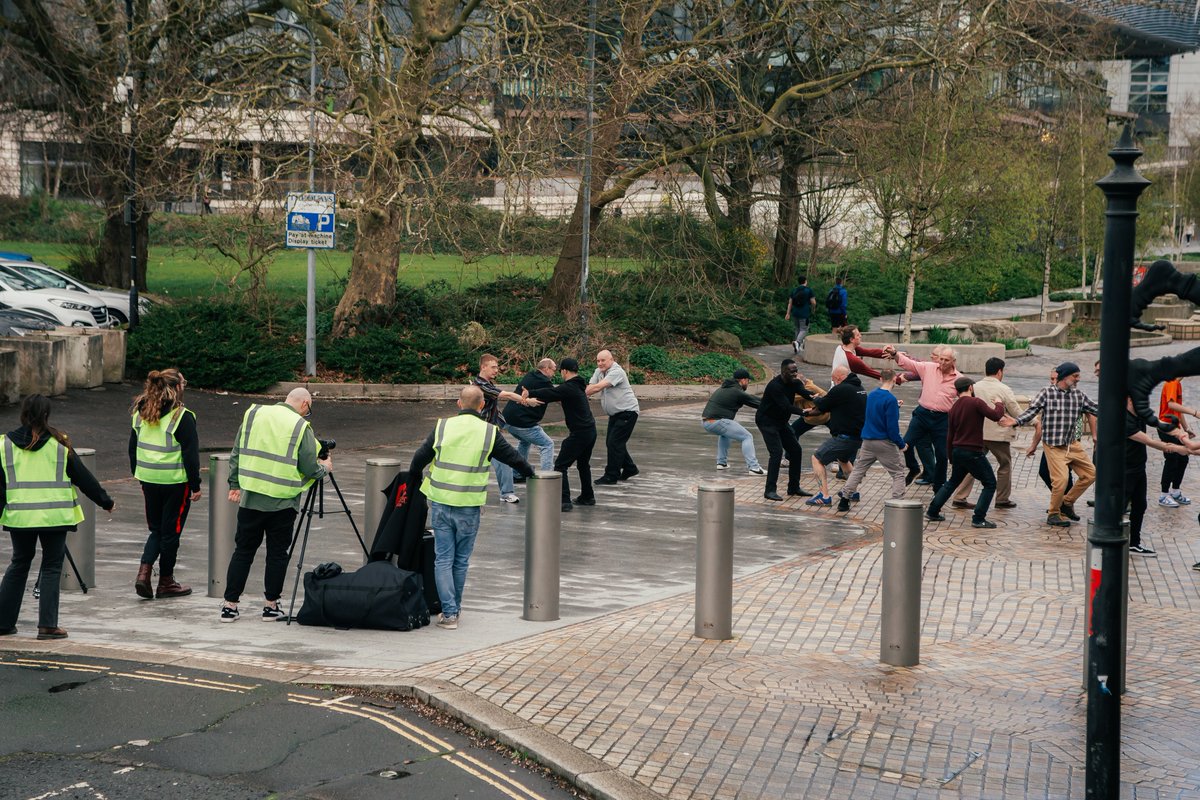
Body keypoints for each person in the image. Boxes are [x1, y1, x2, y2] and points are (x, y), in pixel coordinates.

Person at [409, 386, 534, 629]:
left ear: (458, 403)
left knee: (443, 558)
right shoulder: (489, 432)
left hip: (441, 502)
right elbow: (513, 458)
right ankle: (454, 609)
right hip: (469, 506)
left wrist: (414, 478)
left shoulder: (443, 426)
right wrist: (531, 473)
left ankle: (450, 614)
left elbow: (420, 457)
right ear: (480, 406)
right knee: (461, 560)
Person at [0, 394, 114, 640]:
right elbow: (83, 478)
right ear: (46, 415)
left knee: (19, 563)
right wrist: (105, 501)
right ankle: (47, 626)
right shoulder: (59, 444)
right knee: (51, 566)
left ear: (23, 413)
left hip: (20, 517)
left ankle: (3, 622)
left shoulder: (4, 444)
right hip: (55, 517)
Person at [220, 387, 331, 622]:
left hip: (251, 498)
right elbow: (310, 467)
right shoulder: (301, 427)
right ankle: (271, 605)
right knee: (277, 554)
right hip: (283, 502)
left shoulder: (254, 414)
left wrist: (234, 483)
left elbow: (237, 451)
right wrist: (325, 469)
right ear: (304, 405)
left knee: (243, 551)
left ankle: (229, 606)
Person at [129, 368, 201, 599]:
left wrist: (138, 473)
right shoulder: (182, 417)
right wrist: (195, 485)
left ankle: (144, 571)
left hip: (148, 478)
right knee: (171, 532)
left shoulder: (140, 412)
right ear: (177, 388)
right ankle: (166, 581)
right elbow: (191, 455)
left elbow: (133, 448)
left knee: (157, 529)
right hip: (174, 482)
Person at [1006, 362, 1098, 527]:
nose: (1078, 379)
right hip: (1054, 446)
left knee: (1091, 474)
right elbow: (1032, 411)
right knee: (1061, 480)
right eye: (1075, 376)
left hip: (1073, 444)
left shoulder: (1079, 395)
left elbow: (1096, 409)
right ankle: (1054, 514)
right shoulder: (1047, 393)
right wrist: (1016, 421)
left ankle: (1067, 503)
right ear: (1065, 376)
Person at [925, 377, 1010, 528]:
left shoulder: (954, 407)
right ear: (971, 387)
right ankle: (979, 519)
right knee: (990, 483)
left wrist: (951, 456)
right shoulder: (976, 402)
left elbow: (950, 434)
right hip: (973, 451)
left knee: (952, 482)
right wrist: (999, 403)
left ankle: (932, 511)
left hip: (957, 450)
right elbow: (996, 415)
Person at [949, 358, 1022, 510]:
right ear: (1000, 371)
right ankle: (1002, 498)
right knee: (1005, 464)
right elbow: (1015, 410)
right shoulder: (1004, 389)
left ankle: (960, 497)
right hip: (998, 434)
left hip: (978, 435)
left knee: (971, 466)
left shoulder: (974, 387)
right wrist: (1033, 420)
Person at [886, 345, 962, 491]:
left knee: (942, 455)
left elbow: (966, 399)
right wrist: (895, 353)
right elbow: (909, 364)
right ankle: (914, 468)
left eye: (947, 360)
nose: (943, 363)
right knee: (905, 444)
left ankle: (939, 487)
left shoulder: (959, 379)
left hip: (942, 419)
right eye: (941, 359)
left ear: (953, 361)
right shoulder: (929, 368)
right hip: (922, 414)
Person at [528, 358, 597, 512]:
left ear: (564, 371)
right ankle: (588, 496)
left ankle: (564, 501)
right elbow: (555, 393)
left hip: (580, 433)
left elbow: (551, 393)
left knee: (560, 465)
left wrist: (529, 393)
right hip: (590, 430)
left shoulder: (569, 387)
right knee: (583, 464)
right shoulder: (579, 385)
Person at [472, 354, 542, 504]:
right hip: (479, 433)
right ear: (483, 367)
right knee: (475, 463)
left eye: (497, 367)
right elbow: (508, 395)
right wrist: (527, 401)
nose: (497, 370)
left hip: (490, 432)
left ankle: (507, 493)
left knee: (503, 461)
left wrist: (500, 423)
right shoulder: (480, 385)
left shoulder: (487, 383)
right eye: (493, 367)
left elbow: (494, 407)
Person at [1125, 398, 1190, 556]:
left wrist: (1179, 433)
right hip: (1123, 471)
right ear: (1128, 400)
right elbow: (1149, 441)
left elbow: (1160, 424)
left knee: (1140, 505)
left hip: (1139, 468)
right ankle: (1111, 543)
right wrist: (1177, 448)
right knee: (1119, 508)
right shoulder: (1123, 419)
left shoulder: (1140, 412)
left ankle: (1134, 543)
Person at [837, 369, 908, 511]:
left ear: (880, 379)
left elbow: (874, 414)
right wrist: (901, 444)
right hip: (884, 442)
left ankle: (844, 500)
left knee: (858, 470)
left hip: (868, 440)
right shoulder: (890, 399)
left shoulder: (872, 395)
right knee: (898, 473)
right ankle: (896, 504)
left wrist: (895, 407)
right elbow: (892, 428)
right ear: (894, 379)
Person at [802, 365, 867, 506]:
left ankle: (824, 496)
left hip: (845, 436)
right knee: (843, 459)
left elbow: (824, 404)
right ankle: (852, 491)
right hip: (858, 436)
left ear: (838, 378)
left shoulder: (842, 388)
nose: (834, 383)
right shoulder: (860, 389)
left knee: (817, 458)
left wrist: (815, 399)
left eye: (834, 380)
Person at [495, 358, 557, 498]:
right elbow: (557, 396)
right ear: (546, 369)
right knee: (547, 444)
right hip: (522, 422)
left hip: (508, 420)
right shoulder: (544, 381)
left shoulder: (530, 375)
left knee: (524, 441)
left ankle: (517, 473)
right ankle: (546, 477)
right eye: (553, 369)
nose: (555, 372)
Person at [755, 359, 813, 501]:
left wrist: (817, 398)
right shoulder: (775, 386)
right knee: (776, 453)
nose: (794, 374)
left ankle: (793, 487)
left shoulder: (795, 383)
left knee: (795, 450)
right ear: (783, 372)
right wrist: (803, 412)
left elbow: (805, 393)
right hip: (767, 421)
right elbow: (786, 406)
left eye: (796, 371)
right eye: (791, 371)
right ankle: (769, 491)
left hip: (781, 421)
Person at [587, 349, 640, 485]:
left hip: (628, 412)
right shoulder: (598, 371)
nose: (600, 363)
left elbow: (598, 387)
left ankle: (611, 475)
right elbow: (591, 387)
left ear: (611, 360)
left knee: (614, 442)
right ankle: (629, 468)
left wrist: (575, 395)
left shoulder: (617, 372)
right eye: (598, 360)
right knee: (613, 442)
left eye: (603, 360)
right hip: (616, 414)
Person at [701, 368, 764, 474]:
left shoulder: (724, 388)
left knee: (726, 434)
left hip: (706, 422)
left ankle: (721, 463)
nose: (748, 383)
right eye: (748, 381)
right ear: (743, 380)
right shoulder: (737, 392)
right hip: (717, 421)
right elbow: (759, 403)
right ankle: (754, 468)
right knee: (747, 437)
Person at [1156, 378, 1194, 507]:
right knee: (1172, 460)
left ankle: (1175, 491)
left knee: (1183, 459)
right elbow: (1171, 405)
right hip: (1166, 427)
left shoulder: (1177, 384)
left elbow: (1178, 411)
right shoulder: (1172, 383)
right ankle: (1164, 494)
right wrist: (1195, 413)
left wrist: (1186, 428)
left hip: (1174, 427)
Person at [785, 275, 816, 355]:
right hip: (804, 313)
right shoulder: (808, 290)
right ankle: (798, 342)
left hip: (795, 312)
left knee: (797, 328)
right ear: (805, 281)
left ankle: (797, 347)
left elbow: (790, 303)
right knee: (804, 329)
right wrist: (813, 307)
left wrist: (788, 313)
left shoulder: (794, 290)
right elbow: (813, 302)